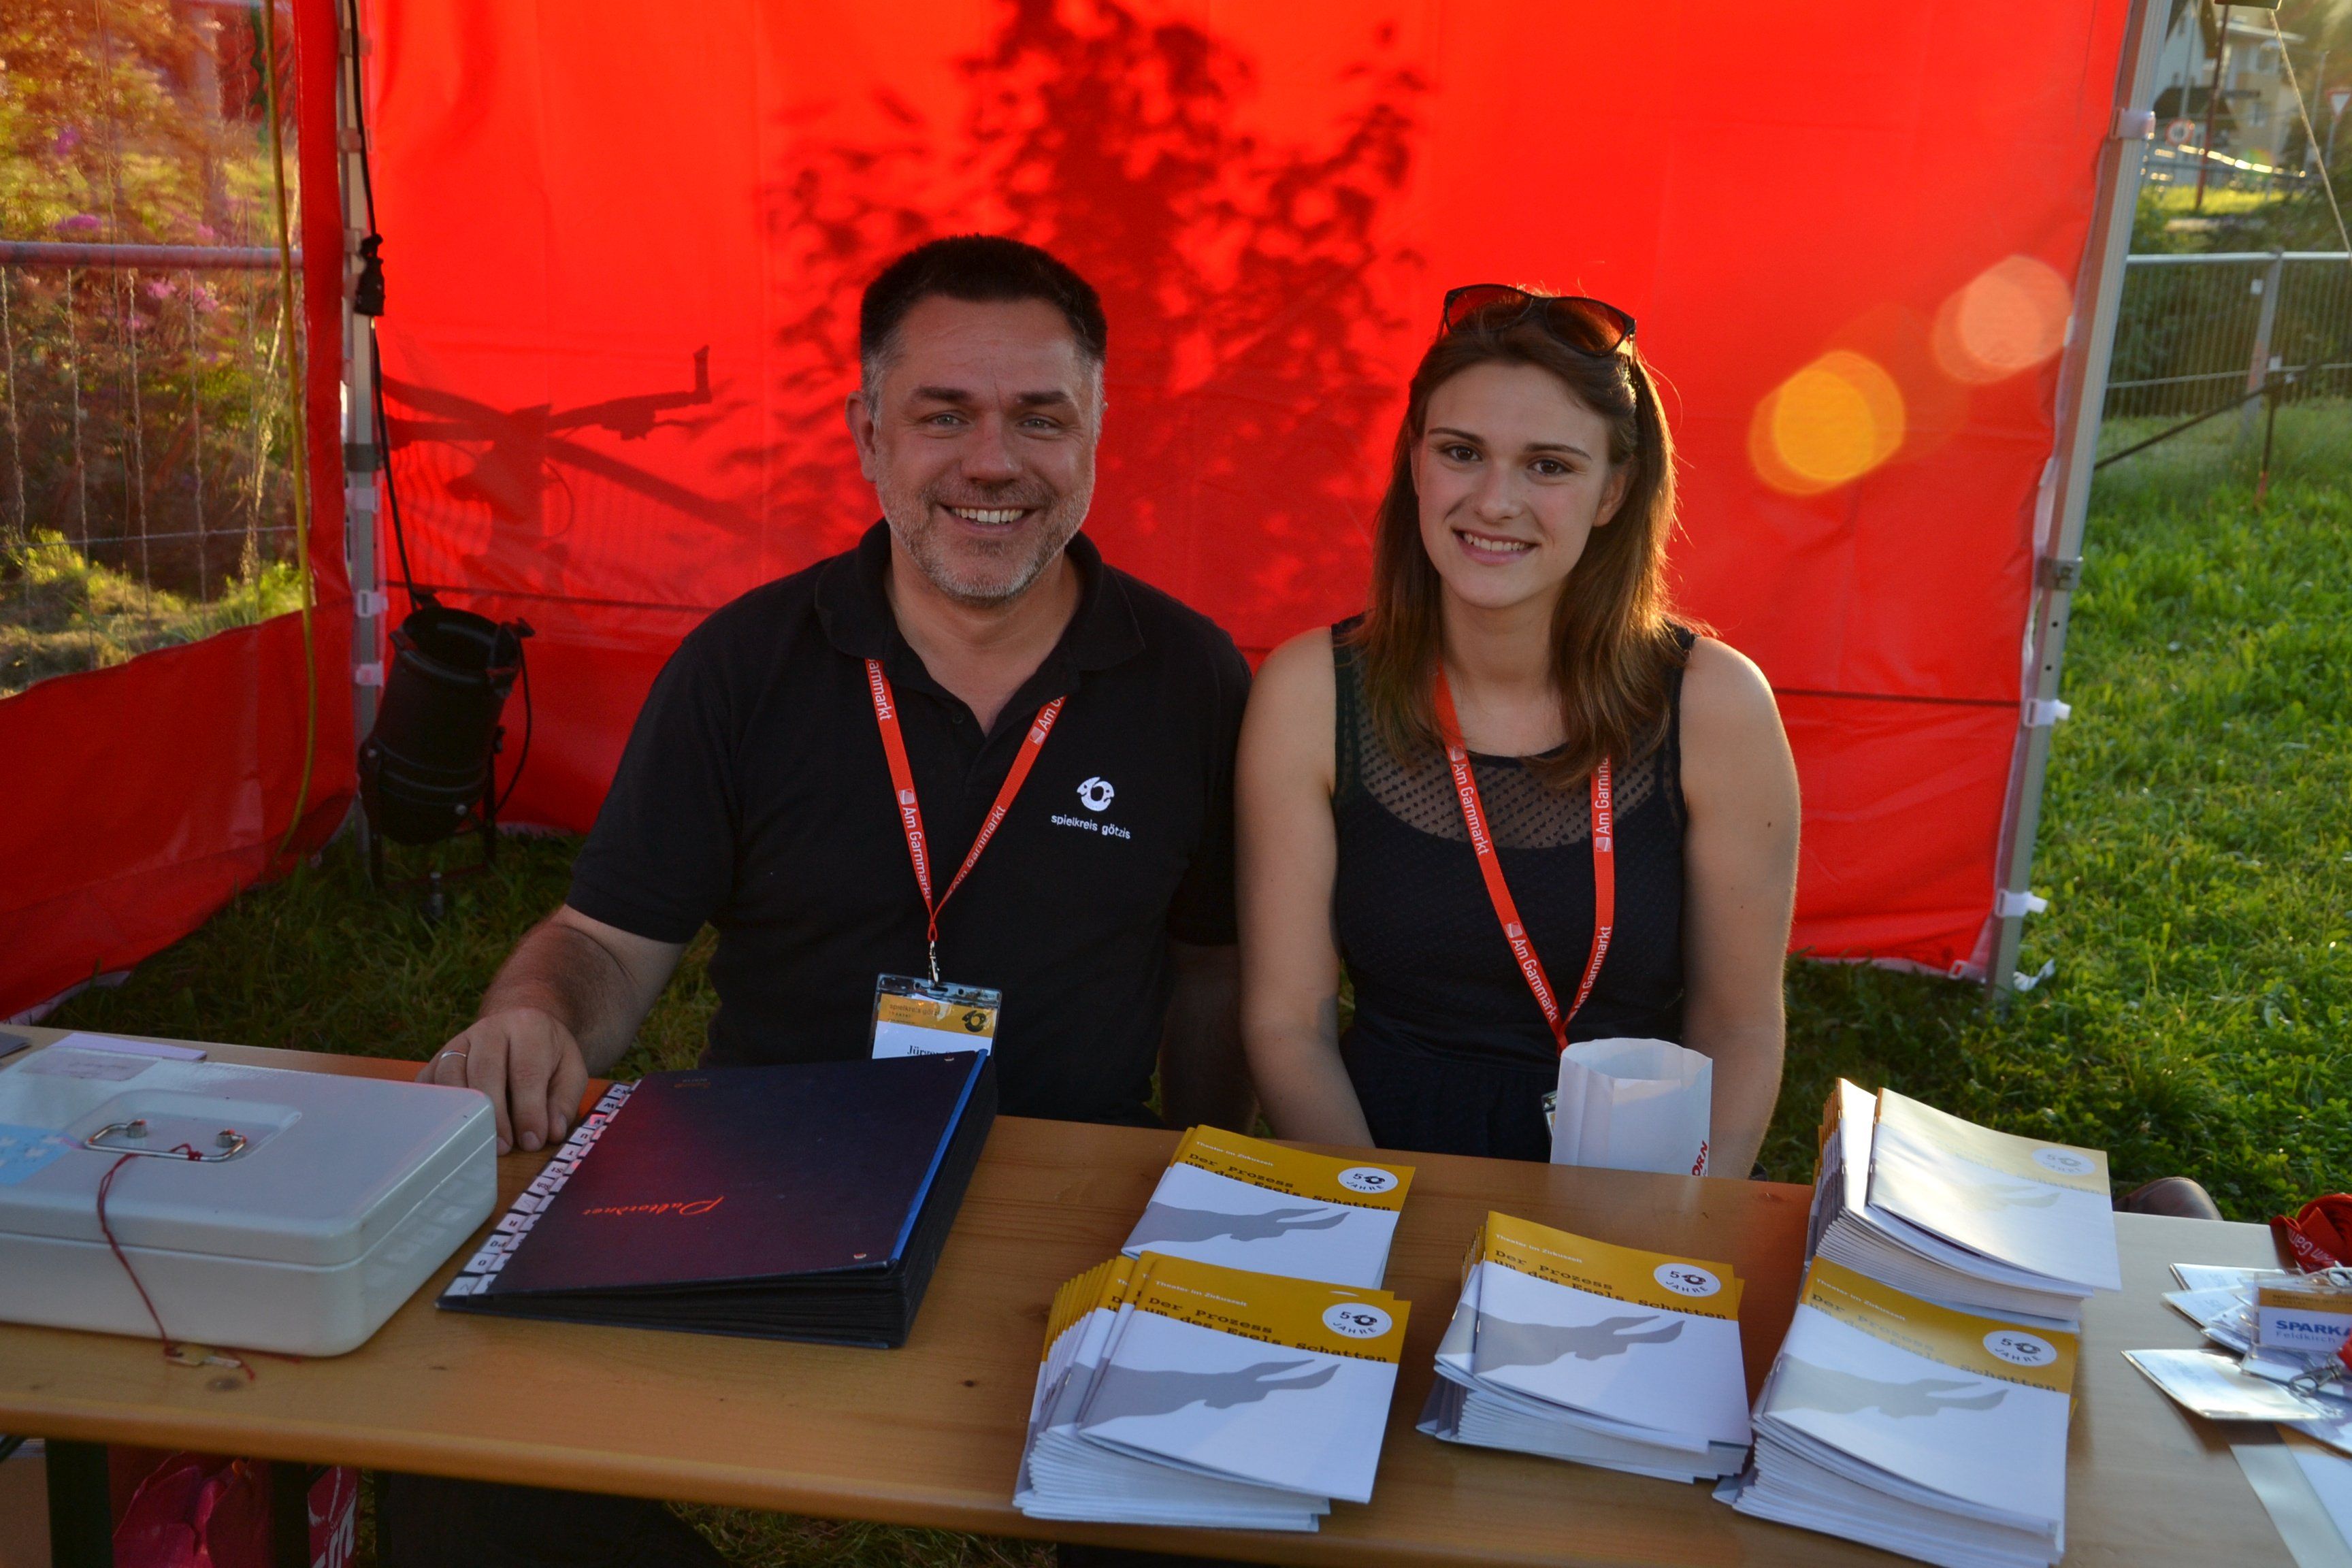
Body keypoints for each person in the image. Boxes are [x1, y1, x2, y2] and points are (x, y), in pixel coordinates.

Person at [380, 235, 1254, 1568]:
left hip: (1070, 1195)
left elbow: (1213, 970)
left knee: (1202, 1507)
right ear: (866, 434)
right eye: (943, 415)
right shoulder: (744, 666)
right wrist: (536, 1017)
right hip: (755, 1188)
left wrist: (1203, 1190)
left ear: (1095, 434)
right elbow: (603, 942)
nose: (993, 462)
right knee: (462, 1477)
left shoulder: (1191, 679)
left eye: (1040, 417)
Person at [1237, 284, 1801, 1174]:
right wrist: (1367, 1207)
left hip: (1635, 1179)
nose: (1495, 501)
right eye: (1462, 453)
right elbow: (1285, 1025)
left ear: (1614, 491)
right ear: (1415, 463)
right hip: (1379, 1159)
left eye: (1549, 466)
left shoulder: (1717, 705)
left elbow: (1740, 1027)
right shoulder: (1311, 691)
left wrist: (1681, 1220)